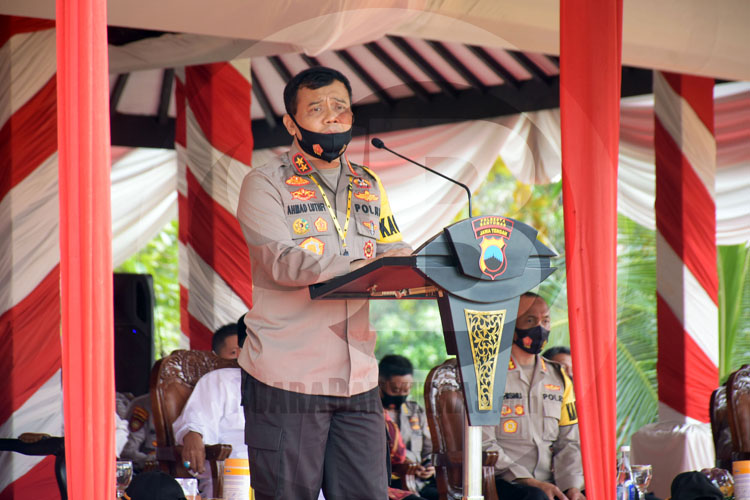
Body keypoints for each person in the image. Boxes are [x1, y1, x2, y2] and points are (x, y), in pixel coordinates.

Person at [236, 66, 412, 500]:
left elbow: (396, 250)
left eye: (340, 107)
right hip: (287, 378)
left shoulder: (369, 185)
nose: (332, 117)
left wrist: (425, 262)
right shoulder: (264, 184)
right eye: (316, 109)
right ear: (292, 124)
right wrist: (370, 256)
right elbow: (283, 263)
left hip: (359, 379)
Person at [482, 292, 585, 500]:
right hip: (506, 481)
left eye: (545, 320)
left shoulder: (559, 378)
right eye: (530, 320)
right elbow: (483, 442)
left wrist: (572, 487)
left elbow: (569, 441)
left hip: (551, 481)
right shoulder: (488, 375)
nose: (540, 328)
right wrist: (528, 481)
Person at [175, 321, 247, 496]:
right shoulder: (219, 380)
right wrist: (192, 435)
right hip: (237, 476)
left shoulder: (287, 384)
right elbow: (195, 423)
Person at [378, 355, 437, 500]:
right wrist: (411, 466)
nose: (402, 395)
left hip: (422, 483)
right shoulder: (372, 415)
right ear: (380, 383)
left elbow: (431, 449)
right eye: (396, 389)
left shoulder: (415, 411)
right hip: (392, 483)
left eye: (407, 389)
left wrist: (430, 466)